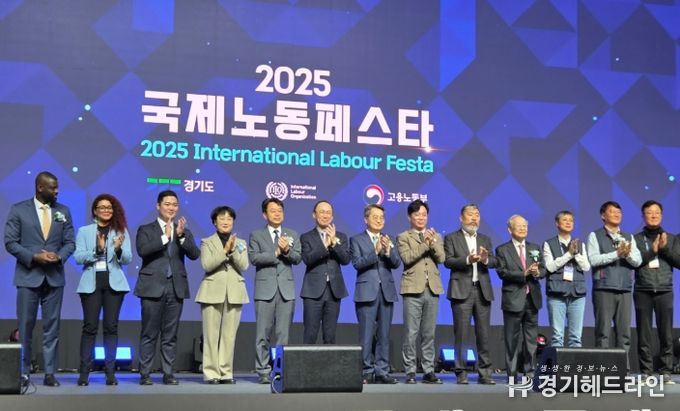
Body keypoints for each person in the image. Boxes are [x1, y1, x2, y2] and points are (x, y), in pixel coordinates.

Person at [4, 171, 75, 387]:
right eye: (53, 187)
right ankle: (23, 372)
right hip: (28, 276)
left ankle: (50, 373)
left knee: (52, 327)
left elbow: (70, 242)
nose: (57, 191)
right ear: (40, 187)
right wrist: (34, 257)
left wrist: (59, 256)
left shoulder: (63, 211)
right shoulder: (18, 210)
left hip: (54, 278)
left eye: (57, 187)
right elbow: (10, 242)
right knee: (25, 327)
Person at [134, 190, 200, 385]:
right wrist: (165, 237)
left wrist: (181, 237)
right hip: (152, 287)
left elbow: (195, 254)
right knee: (149, 333)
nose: (171, 208)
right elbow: (143, 250)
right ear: (158, 206)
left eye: (175, 205)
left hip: (175, 287)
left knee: (170, 335)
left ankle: (168, 373)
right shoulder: (146, 229)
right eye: (167, 204)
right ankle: (145, 373)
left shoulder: (183, 230)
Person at [74, 194, 131, 386]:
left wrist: (118, 249)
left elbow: (128, 258)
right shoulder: (84, 231)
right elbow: (78, 257)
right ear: (95, 210)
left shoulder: (120, 231)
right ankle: (84, 373)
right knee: (89, 327)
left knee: (111, 328)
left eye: (109, 207)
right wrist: (97, 251)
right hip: (91, 283)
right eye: (102, 207)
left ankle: (110, 373)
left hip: (114, 283)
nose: (106, 210)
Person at [248, 198, 301, 384]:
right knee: (262, 334)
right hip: (265, 290)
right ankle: (263, 370)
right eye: (273, 210)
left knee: (283, 335)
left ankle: (279, 369)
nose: (277, 214)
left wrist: (286, 251)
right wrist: (276, 253)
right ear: (265, 214)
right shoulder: (256, 235)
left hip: (286, 290)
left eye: (280, 210)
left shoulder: (292, 234)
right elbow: (254, 258)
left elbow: (297, 258)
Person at [443, 203, 496, 385]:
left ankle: (485, 373)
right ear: (461, 218)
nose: (474, 218)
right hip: (461, 291)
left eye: (477, 215)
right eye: (471, 215)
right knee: (461, 334)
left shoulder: (485, 239)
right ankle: (461, 372)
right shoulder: (451, 238)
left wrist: (485, 259)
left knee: (484, 335)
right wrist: (467, 259)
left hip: (482, 291)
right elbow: (448, 261)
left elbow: (494, 261)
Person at [196, 206, 249, 384]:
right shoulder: (207, 242)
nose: (226, 222)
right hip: (211, 291)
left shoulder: (240, 242)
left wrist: (232, 251)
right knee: (210, 335)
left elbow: (244, 265)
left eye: (229, 219)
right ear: (214, 222)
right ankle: (211, 373)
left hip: (235, 291)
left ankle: (226, 372)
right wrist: (224, 250)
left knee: (229, 336)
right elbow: (207, 265)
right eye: (221, 218)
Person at [350, 204, 401, 384]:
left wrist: (387, 251)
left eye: (382, 217)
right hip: (366, 292)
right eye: (375, 217)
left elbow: (396, 263)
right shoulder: (356, 240)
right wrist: (376, 251)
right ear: (366, 219)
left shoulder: (389, 239)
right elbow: (357, 263)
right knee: (366, 335)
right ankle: (365, 371)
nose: (379, 220)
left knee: (384, 335)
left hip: (386, 292)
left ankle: (382, 371)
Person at [586, 201, 641, 368]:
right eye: (612, 212)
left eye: (619, 212)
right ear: (603, 216)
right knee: (603, 332)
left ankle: (623, 369)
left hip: (624, 288)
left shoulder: (628, 237)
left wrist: (627, 254)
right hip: (604, 287)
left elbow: (637, 261)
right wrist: (616, 254)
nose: (617, 214)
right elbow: (593, 259)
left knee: (624, 333)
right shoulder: (595, 235)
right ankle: (603, 369)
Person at [397, 200, 444, 384]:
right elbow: (407, 258)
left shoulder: (436, 236)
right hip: (412, 289)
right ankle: (410, 371)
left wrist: (432, 243)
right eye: (417, 214)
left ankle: (428, 370)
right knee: (411, 333)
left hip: (432, 288)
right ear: (410, 217)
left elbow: (441, 258)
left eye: (424, 214)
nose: (421, 218)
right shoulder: (403, 236)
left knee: (429, 333)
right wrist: (425, 243)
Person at [633, 200, 680, 384]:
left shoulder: (672, 238)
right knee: (644, 334)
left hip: (664, 289)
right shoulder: (636, 239)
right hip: (643, 289)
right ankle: (645, 371)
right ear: (643, 216)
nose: (653, 215)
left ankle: (666, 371)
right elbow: (634, 262)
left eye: (656, 212)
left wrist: (665, 249)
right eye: (649, 212)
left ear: (661, 215)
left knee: (665, 333)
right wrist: (652, 252)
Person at [495, 214, 545, 383]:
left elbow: (544, 269)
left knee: (531, 340)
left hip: (532, 299)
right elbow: (502, 272)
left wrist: (537, 273)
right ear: (510, 230)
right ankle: (511, 374)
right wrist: (523, 274)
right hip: (513, 299)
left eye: (525, 225)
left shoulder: (534, 247)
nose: (523, 228)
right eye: (519, 226)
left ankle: (529, 372)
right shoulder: (502, 249)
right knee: (512, 340)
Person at [300, 200, 350, 344]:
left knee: (330, 335)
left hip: (334, 291)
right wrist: (325, 245)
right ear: (314, 215)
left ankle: (329, 360)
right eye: (322, 212)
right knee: (310, 334)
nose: (325, 215)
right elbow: (308, 259)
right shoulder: (306, 237)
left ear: (332, 216)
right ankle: (308, 359)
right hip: (313, 291)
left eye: (328, 213)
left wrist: (334, 243)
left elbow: (346, 259)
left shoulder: (341, 236)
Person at [542, 211, 590, 348]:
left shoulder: (580, 244)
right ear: (557, 223)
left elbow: (586, 267)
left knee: (576, 338)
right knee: (557, 336)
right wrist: (568, 254)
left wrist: (576, 254)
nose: (568, 222)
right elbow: (550, 267)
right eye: (565, 220)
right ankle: (558, 362)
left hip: (577, 293)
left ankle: (574, 362)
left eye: (571, 220)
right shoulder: (549, 244)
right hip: (556, 293)